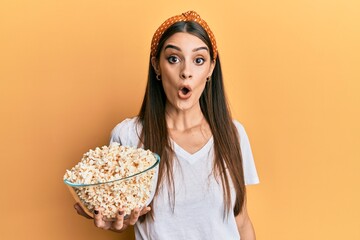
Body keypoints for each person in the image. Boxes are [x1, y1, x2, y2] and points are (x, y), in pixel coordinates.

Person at [74, 10, 259, 240]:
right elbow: (120, 214)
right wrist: (114, 219)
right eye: (174, 59)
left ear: (210, 69)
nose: (186, 73)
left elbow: (241, 223)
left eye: (198, 60)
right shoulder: (130, 136)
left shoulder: (232, 134)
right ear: (157, 66)